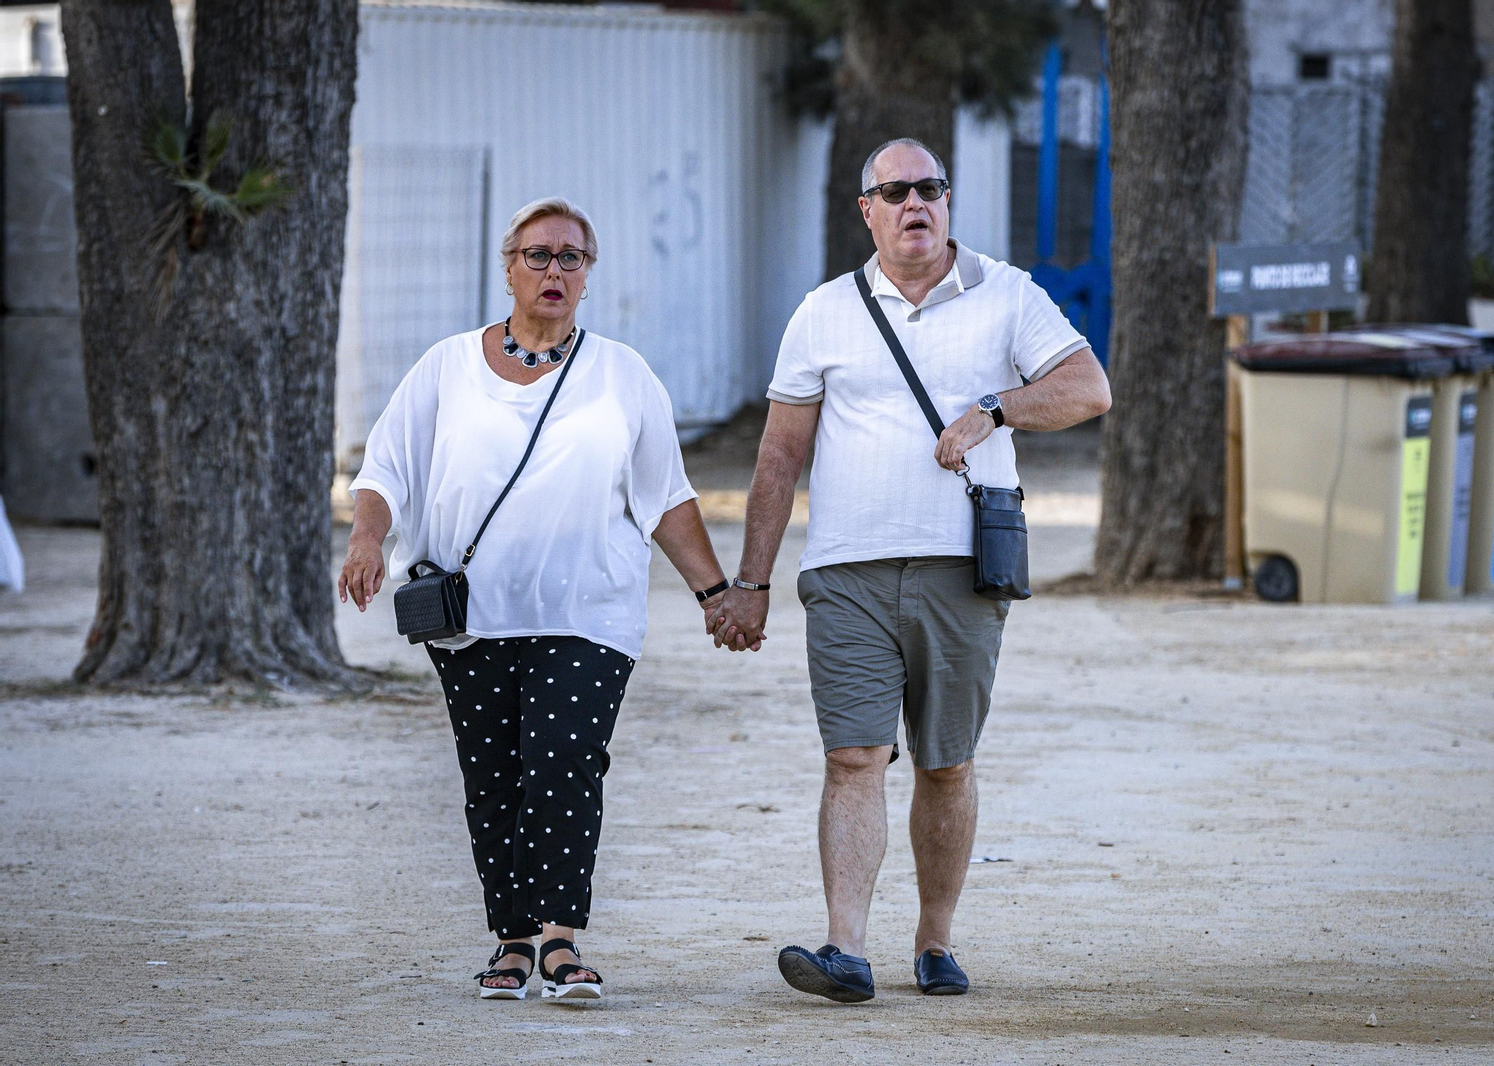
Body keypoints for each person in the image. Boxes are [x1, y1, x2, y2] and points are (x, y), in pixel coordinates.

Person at [713, 139, 1112, 1002]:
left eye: (929, 187)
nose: (915, 203)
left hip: (963, 567)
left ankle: (934, 943)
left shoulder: (1006, 293)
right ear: (868, 210)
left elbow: (1089, 388)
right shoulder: (823, 310)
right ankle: (845, 950)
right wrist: (751, 581)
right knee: (854, 757)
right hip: (847, 570)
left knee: (946, 763)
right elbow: (780, 456)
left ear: (946, 199)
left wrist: (995, 408)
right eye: (895, 192)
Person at [339, 197, 745, 1001]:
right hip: (472, 619)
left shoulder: (624, 374)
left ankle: (559, 940)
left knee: (562, 765)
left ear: (589, 276)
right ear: (508, 265)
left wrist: (715, 593)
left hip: (588, 614)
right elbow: (387, 469)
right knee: (492, 777)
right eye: (538, 255)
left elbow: (666, 497)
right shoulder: (446, 367)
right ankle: (511, 941)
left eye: (571, 257)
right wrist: (365, 540)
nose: (554, 270)